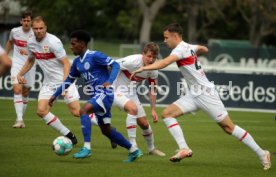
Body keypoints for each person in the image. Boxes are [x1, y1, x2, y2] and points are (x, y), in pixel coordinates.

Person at [131, 22, 271, 170]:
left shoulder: (179, 50)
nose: (165, 41)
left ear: (175, 36)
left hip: (206, 94)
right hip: (193, 94)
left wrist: (143, 68)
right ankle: (184, 148)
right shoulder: (188, 46)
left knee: (228, 128)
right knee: (167, 114)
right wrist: (203, 48)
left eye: (166, 38)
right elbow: (196, 47)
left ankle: (262, 153)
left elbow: (164, 63)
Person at [48, 30, 142, 162]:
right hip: (98, 96)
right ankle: (134, 151)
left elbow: (115, 64)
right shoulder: (76, 63)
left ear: (82, 44)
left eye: (73, 43)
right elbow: (69, 80)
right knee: (106, 130)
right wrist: (55, 95)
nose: (71, 46)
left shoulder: (94, 55)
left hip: (104, 93)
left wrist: (109, 81)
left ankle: (86, 148)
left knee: (83, 110)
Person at [17, 16, 80, 144]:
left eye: (41, 28)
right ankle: (69, 136)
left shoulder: (53, 42)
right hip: (49, 83)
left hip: (65, 80)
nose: (39, 30)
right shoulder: (31, 42)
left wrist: (64, 85)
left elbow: (67, 64)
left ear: (46, 28)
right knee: (41, 111)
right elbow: (30, 60)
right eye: (36, 28)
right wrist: (20, 74)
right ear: (32, 29)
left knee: (77, 112)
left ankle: (107, 127)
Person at [112, 42, 165, 156]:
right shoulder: (133, 61)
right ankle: (133, 146)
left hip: (132, 94)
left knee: (144, 124)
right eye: (149, 56)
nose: (151, 60)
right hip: (116, 91)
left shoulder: (153, 70)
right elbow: (113, 65)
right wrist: (108, 84)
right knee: (133, 109)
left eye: (154, 57)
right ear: (143, 54)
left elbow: (152, 89)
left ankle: (151, 149)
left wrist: (153, 110)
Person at [5, 10, 36, 128]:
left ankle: (20, 119)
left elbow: (37, 51)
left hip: (30, 65)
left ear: (31, 22)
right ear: (21, 21)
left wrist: (27, 52)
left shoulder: (35, 34)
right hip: (17, 64)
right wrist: (4, 56)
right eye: (24, 20)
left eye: (28, 20)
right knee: (17, 89)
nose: (26, 23)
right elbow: (9, 42)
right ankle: (19, 119)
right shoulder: (14, 31)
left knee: (25, 92)